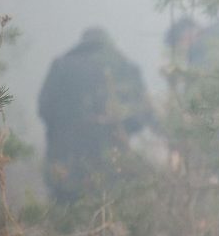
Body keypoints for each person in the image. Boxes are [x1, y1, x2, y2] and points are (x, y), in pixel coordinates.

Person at [38, 27, 153, 203]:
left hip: (66, 160)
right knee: (112, 210)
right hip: (113, 160)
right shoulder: (125, 67)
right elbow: (140, 116)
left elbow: (44, 109)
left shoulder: (61, 66)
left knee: (66, 213)